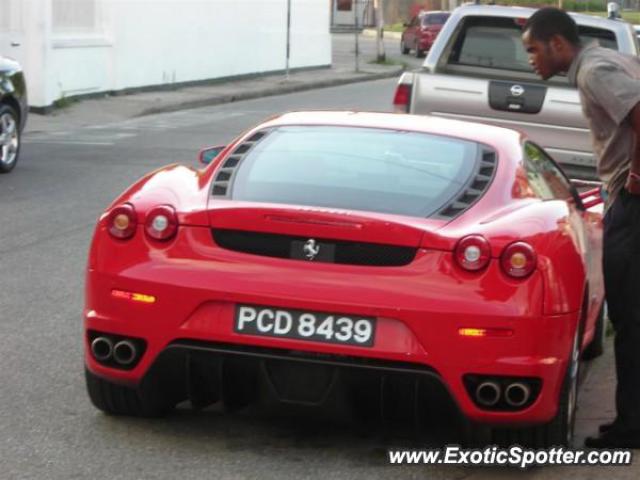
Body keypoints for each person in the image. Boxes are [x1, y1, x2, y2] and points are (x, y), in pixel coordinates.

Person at [522, 7, 640, 448]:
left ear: (557, 44)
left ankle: (632, 428)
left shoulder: (593, 70)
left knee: (628, 319)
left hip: (633, 204)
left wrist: (635, 181)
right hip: (626, 198)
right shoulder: (608, 59)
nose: (531, 59)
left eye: (534, 49)